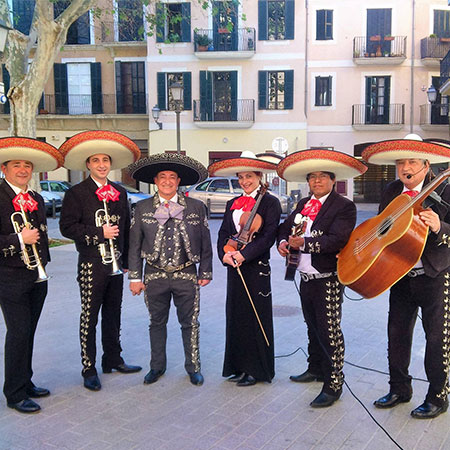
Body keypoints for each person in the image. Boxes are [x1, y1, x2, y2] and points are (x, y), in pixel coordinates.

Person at [362, 135, 450, 419]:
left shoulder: (446, 189)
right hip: (399, 273)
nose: (405, 167)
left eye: (412, 161)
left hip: (435, 275)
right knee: (397, 333)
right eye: (401, 162)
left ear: (426, 165)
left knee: (436, 337)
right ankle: (400, 388)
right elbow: (381, 228)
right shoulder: (391, 190)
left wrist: (440, 226)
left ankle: (438, 395)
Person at [277, 149, 367, 407]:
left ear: (332, 180)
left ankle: (334, 384)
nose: (316, 181)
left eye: (322, 177)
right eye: (312, 177)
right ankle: (315, 368)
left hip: (328, 277)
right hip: (305, 275)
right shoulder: (303, 204)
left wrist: (302, 242)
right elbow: (285, 227)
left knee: (329, 331)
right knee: (311, 326)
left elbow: (337, 240)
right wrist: (283, 242)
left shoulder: (345, 206)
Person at [59, 131, 142, 391]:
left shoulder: (119, 191)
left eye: (105, 160)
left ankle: (113, 359)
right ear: (88, 165)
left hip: (115, 263)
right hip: (91, 264)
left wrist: (128, 260)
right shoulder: (76, 193)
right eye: (96, 161)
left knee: (113, 313)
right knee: (90, 316)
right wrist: (98, 233)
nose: (102, 165)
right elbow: (66, 227)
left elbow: (126, 227)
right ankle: (88, 367)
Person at [127, 153, 212, 386]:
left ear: (178, 181)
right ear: (155, 180)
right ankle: (156, 367)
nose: (167, 181)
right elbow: (134, 245)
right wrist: (135, 278)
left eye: (172, 177)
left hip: (186, 274)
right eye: (162, 177)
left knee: (190, 322)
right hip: (154, 275)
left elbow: (205, 242)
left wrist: (205, 272)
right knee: (156, 322)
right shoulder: (141, 208)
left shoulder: (196, 207)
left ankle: (193, 367)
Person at [0, 137, 63, 413]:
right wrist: (17, 238)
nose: (23, 170)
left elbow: (43, 236)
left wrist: (43, 265)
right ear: (5, 169)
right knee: (18, 332)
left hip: (36, 275)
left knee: (29, 332)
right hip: (10, 277)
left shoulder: (36, 197)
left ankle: (25, 382)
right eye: (17, 165)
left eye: (27, 165)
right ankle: (14, 393)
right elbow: (23, 237)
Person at [210, 151, 281, 387]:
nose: (244, 181)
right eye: (241, 177)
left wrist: (244, 254)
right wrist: (225, 253)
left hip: (256, 267)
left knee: (255, 317)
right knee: (237, 316)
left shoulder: (270, 202)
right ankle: (238, 366)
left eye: (249, 176)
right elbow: (223, 233)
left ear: (259, 176)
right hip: (234, 266)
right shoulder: (232, 203)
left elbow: (268, 237)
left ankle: (257, 369)